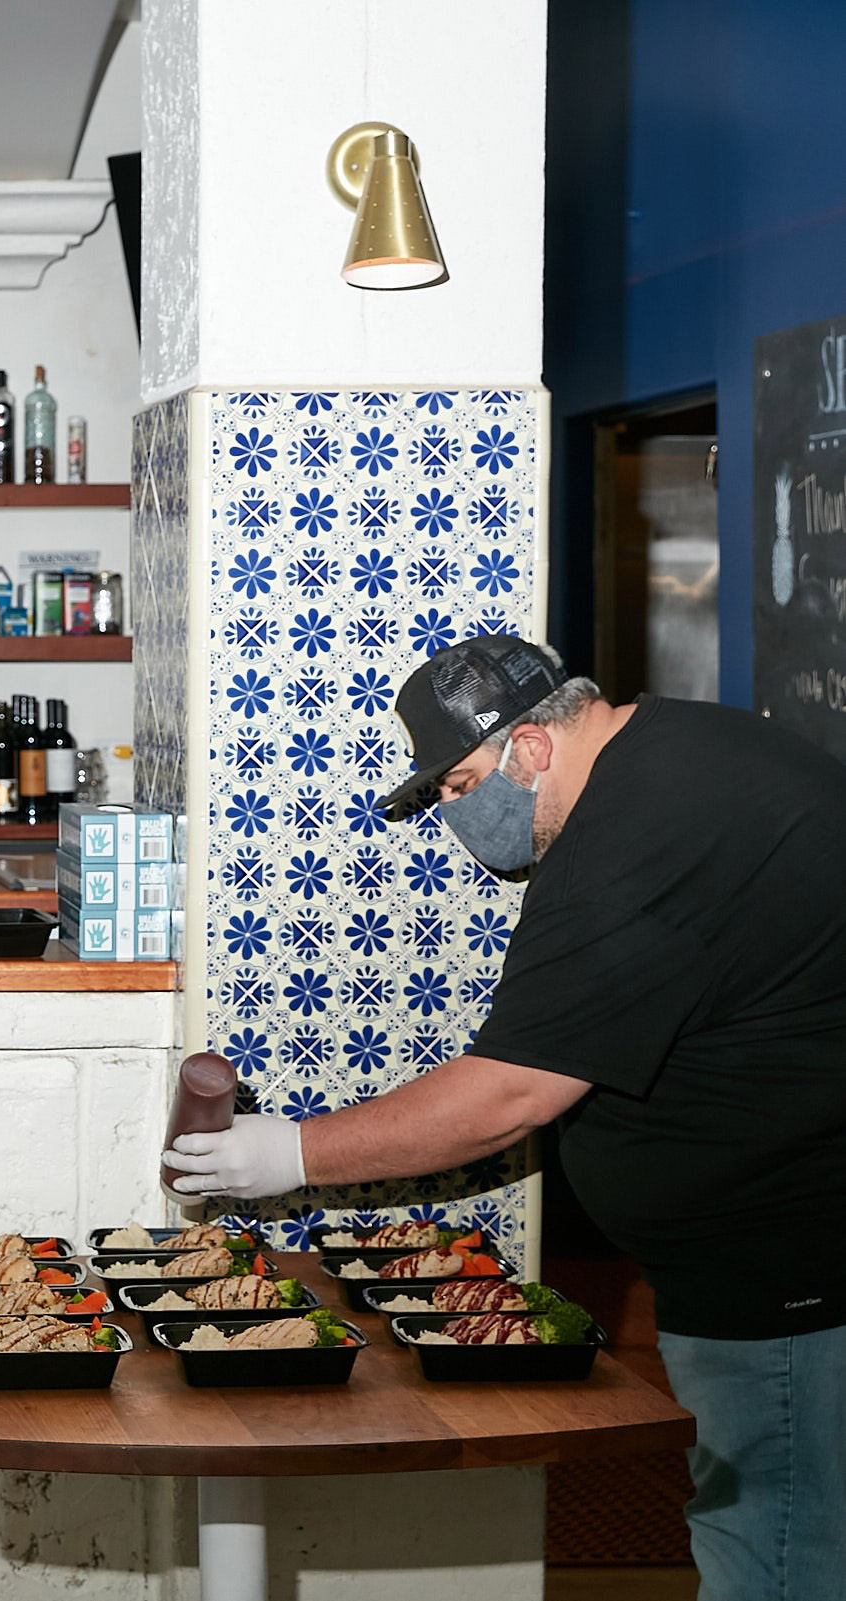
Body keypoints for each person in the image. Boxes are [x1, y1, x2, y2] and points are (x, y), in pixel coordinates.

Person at [163, 634, 846, 1601]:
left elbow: (510, 1093)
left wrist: (292, 1151)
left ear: (529, 748)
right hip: (753, 1268)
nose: (452, 817)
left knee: (778, 1554)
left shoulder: (640, 824)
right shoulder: (663, 766)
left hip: (796, 1278)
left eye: (456, 786)